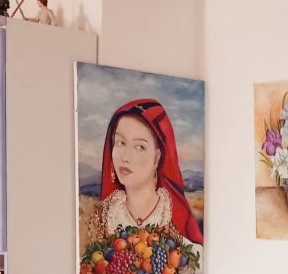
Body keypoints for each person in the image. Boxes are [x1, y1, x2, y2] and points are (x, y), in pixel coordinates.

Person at [85, 98, 203, 251]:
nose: (125, 157)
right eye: (120, 142)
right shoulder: (99, 219)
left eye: (140, 147)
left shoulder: (174, 218)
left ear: (157, 158)